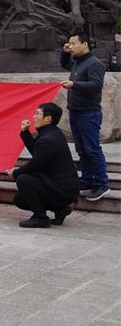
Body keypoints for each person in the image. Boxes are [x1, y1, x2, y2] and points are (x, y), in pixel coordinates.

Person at [7, 103, 80, 228]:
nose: (34, 117)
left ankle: (40, 218)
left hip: (63, 188)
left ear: (48, 118)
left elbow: (35, 165)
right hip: (61, 186)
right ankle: (61, 209)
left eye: (37, 114)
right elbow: (38, 153)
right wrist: (25, 132)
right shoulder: (51, 133)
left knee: (23, 179)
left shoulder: (49, 139)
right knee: (20, 199)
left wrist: (15, 173)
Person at [61, 34, 110, 201]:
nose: (71, 46)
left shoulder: (95, 64)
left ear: (85, 44)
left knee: (92, 149)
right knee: (82, 150)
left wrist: (75, 85)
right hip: (75, 111)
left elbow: (96, 85)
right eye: (70, 43)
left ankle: (102, 184)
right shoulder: (77, 62)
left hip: (89, 113)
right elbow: (64, 64)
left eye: (74, 43)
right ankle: (88, 180)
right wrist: (64, 52)